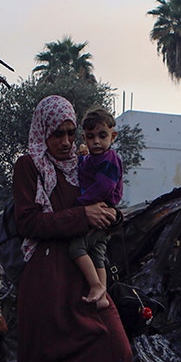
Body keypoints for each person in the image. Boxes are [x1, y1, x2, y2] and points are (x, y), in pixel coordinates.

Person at [8, 95, 133, 362]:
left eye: (68, 132)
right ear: (42, 133)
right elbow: (28, 222)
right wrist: (83, 216)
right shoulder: (29, 167)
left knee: (118, 353)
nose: (64, 141)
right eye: (56, 133)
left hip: (86, 276)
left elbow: (103, 199)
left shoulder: (82, 165)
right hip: (48, 279)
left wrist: (111, 215)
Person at [69, 107, 123, 308]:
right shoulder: (94, 158)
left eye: (102, 136)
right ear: (85, 137)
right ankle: (102, 296)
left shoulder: (110, 159)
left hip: (99, 209)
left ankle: (95, 286)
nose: (97, 142)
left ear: (113, 136)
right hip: (102, 213)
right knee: (97, 253)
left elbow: (103, 187)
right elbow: (86, 168)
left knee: (76, 247)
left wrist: (79, 204)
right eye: (91, 137)